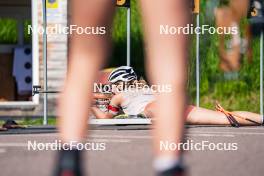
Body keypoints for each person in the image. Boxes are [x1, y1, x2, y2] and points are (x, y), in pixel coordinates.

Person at [55, 0, 189, 176]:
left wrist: (95, 103)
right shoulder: (129, 90)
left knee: (83, 57)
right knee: (169, 60)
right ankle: (170, 164)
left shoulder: (119, 95)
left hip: (137, 105)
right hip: (147, 103)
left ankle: (69, 160)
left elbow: (106, 116)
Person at [92, 66, 263, 126]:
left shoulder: (118, 96)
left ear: (119, 83)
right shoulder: (148, 88)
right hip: (175, 104)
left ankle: (136, 117)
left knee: (150, 111)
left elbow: (106, 119)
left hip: (155, 109)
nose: (112, 89)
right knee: (225, 118)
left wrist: (91, 105)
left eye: (112, 86)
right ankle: (261, 118)